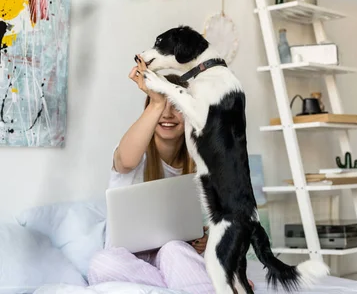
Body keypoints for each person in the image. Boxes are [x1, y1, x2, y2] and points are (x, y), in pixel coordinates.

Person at [87, 57, 254, 293]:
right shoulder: (134, 153)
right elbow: (125, 161)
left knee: (173, 248)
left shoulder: (203, 164)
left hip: (176, 258)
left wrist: (206, 239)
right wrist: (157, 101)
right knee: (101, 263)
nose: (167, 114)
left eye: (176, 105)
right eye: (158, 106)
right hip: (130, 261)